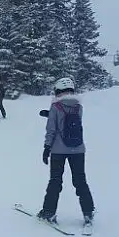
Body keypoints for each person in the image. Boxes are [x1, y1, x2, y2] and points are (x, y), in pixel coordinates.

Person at [37, 77, 95, 228]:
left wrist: (46, 148)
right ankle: (88, 212)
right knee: (80, 180)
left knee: (55, 181)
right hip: (78, 149)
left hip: (58, 151)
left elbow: (52, 130)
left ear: (58, 91)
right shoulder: (79, 107)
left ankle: (48, 212)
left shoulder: (56, 107)